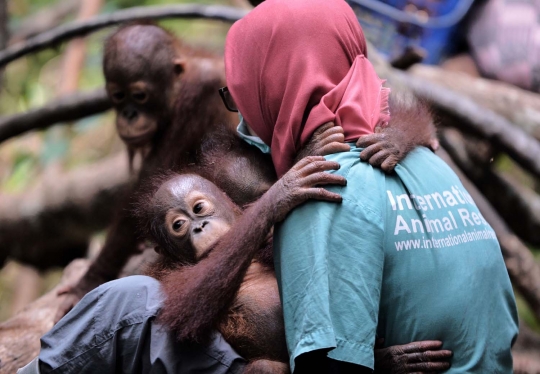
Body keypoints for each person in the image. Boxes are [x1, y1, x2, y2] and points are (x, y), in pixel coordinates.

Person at [224, 0, 519, 373]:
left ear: (265, 86)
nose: (241, 113)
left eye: (239, 93)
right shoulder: (431, 162)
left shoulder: (317, 190)